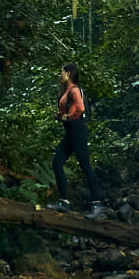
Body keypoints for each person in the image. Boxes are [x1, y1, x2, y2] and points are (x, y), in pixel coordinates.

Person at [51, 62, 99, 206]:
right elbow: (70, 108)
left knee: (85, 166)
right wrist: (61, 116)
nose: (61, 74)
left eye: (62, 72)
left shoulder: (74, 90)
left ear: (68, 73)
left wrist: (68, 117)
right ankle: (64, 201)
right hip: (70, 132)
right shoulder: (68, 90)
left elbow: (80, 108)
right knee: (57, 162)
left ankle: (97, 203)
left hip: (77, 131)